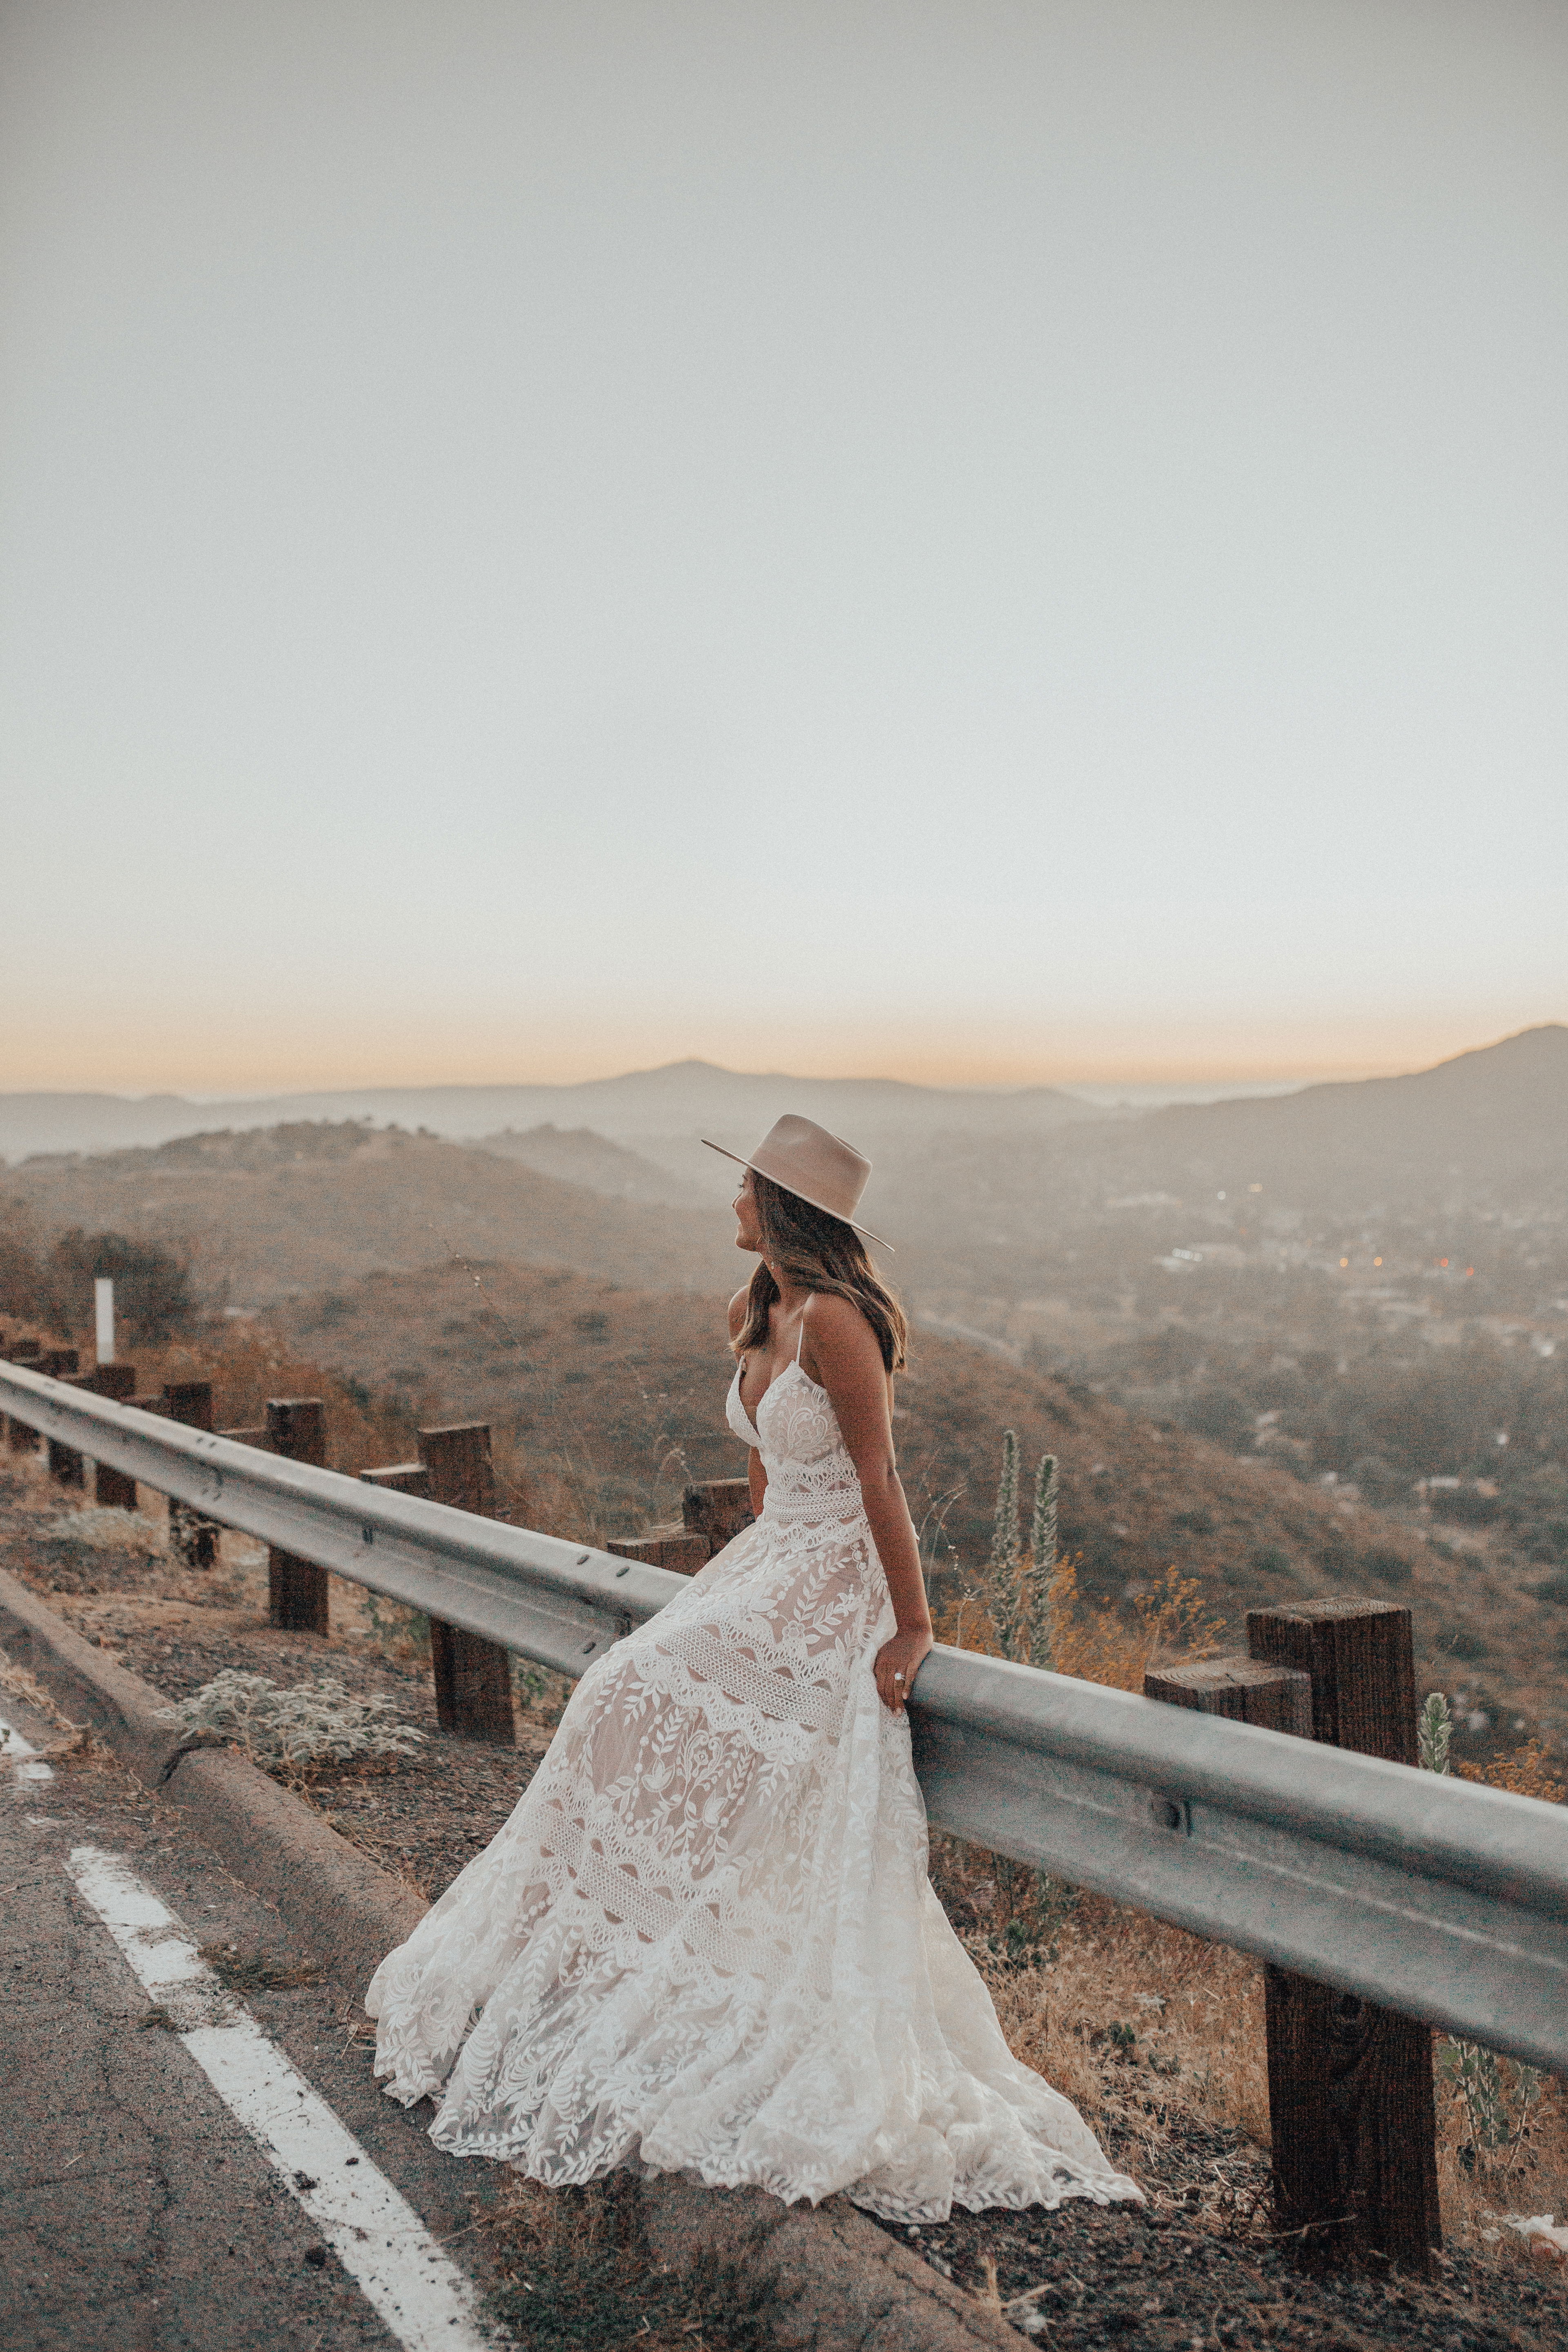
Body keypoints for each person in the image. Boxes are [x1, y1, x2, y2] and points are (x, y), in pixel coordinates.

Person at [366, 1114, 1139, 2221]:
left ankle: (687, 1975)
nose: (730, 1203)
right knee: (621, 1695)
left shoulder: (836, 1321)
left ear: (782, 1209)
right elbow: (770, 1477)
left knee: (634, 1692)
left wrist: (910, 1626)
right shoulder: (756, 1310)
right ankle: (636, 1967)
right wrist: (739, 1583)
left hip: (835, 1577)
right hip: (770, 1561)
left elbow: (877, 1480)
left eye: (745, 1190)